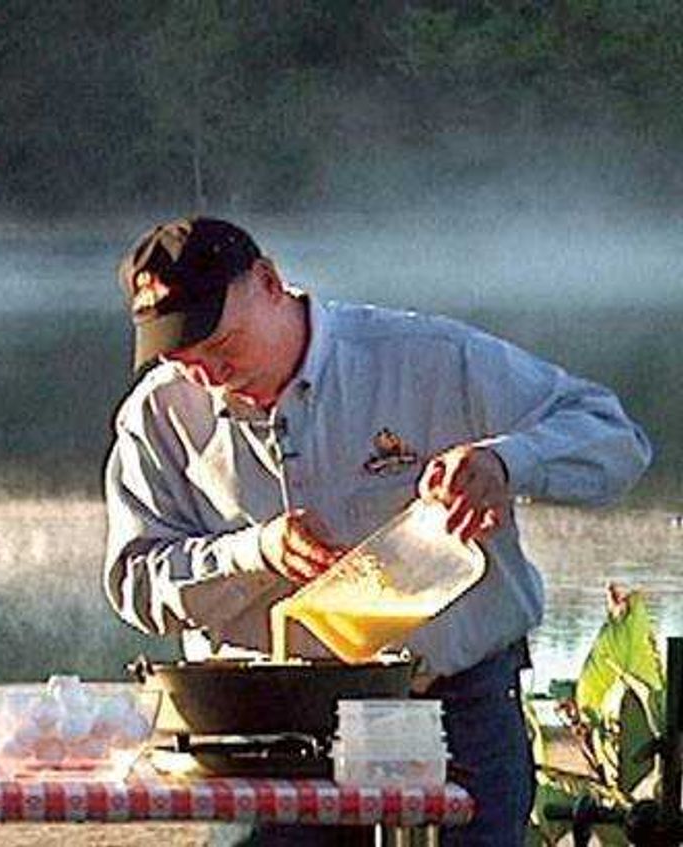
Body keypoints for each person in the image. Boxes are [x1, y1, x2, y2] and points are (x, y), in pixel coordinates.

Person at [102, 217, 652, 846]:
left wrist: (507, 462)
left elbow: (617, 440)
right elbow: (136, 583)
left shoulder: (430, 359)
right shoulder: (157, 414)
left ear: (270, 282)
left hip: (455, 710)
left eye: (222, 341)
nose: (210, 373)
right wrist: (254, 552)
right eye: (183, 358)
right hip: (268, 734)